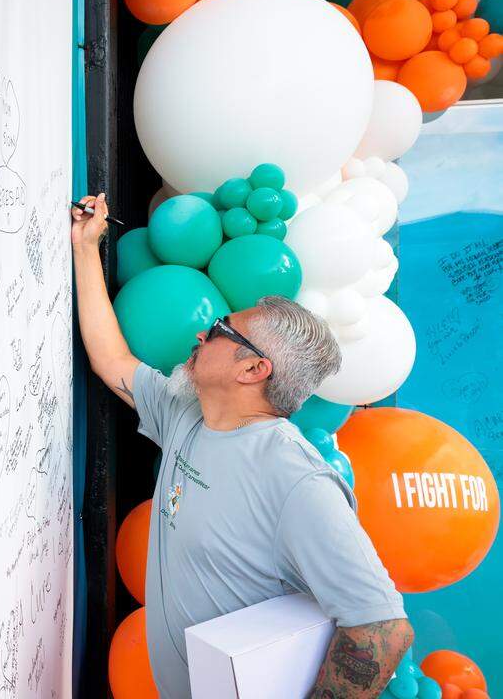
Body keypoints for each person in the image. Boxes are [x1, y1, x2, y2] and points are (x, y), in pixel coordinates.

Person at [72, 193, 412, 698]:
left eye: (220, 331)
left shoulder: (296, 478)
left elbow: (382, 630)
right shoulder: (185, 412)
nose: (201, 331)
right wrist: (84, 246)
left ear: (253, 369)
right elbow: (112, 360)